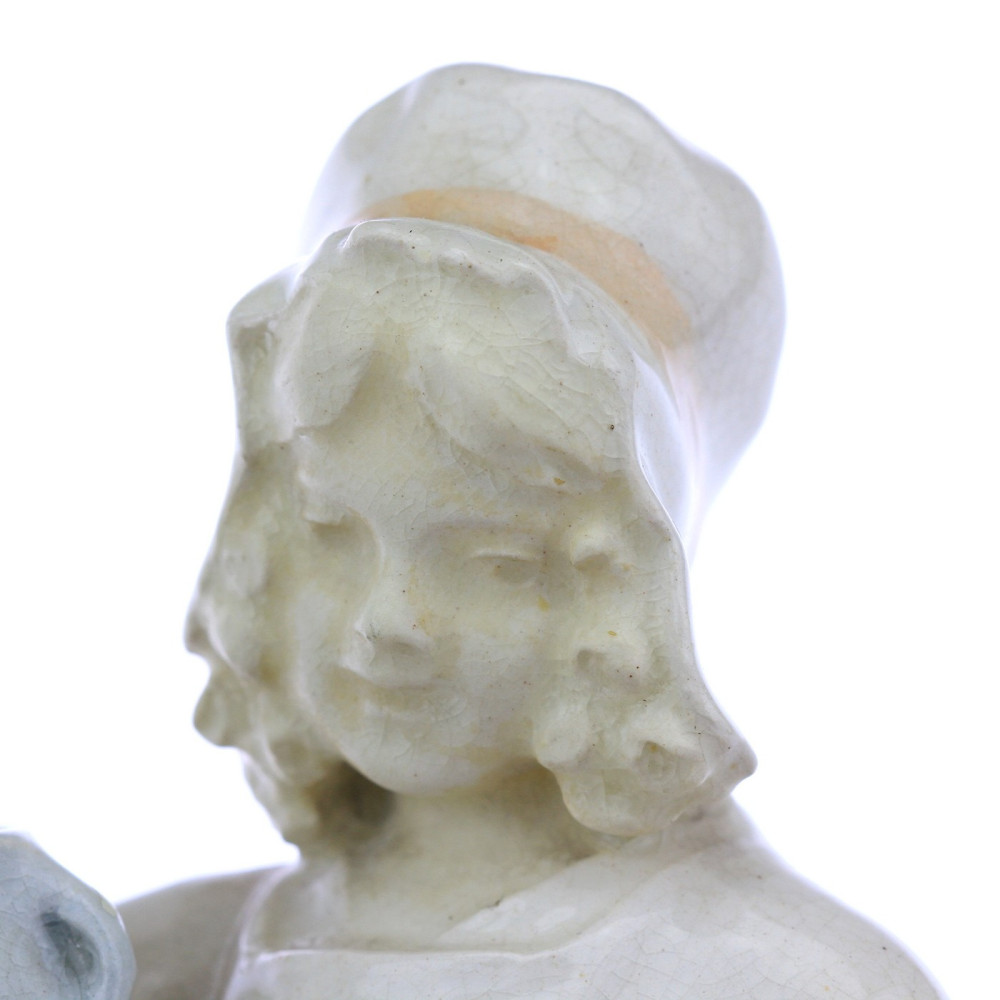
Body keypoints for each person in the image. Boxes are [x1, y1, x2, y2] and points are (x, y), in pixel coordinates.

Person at [120, 66, 943, 999]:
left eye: (495, 563)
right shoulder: (162, 957)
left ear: (624, 594)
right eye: (333, 530)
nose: (388, 623)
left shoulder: (772, 978)